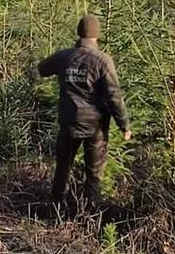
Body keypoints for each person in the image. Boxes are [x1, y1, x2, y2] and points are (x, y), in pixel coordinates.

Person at [38, 14, 131, 213]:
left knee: (63, 167)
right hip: (95, 126)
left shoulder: (64, 56)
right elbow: (114, 95)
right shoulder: (102, 61)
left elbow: (42, 69)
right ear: (96, 36)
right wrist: (124, 125)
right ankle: (90, 214)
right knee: (94, 173)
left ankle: (55, 209)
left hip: (69, 123)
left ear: (79, 33)